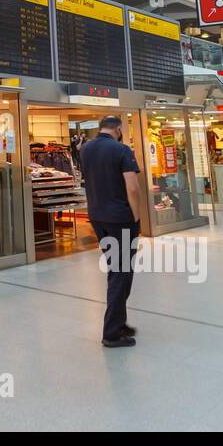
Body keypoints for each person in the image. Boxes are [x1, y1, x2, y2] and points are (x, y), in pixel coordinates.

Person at [79, 115, 144, 348]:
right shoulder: (122, 150)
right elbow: (133, 188)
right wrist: (136, 218)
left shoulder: (85, 149)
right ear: (118, 129)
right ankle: (112, 332)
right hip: (120, 218)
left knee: (116, 270)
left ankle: (119, 320)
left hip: (98, 217)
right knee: (121, 271)